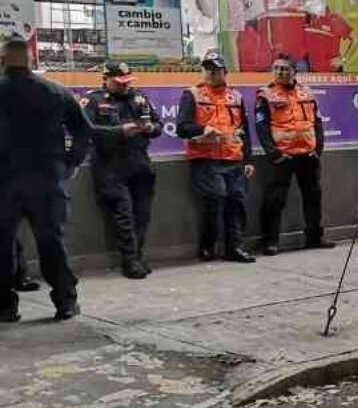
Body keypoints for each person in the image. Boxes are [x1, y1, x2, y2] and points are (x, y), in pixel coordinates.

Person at [0, 37, 91, 322]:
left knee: (2, 246)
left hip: (4, 182)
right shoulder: (56, 91)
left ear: (3, 61)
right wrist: (71, 163)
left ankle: (5, 307)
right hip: (47, 180)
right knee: (52, 241)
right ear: (32, 61)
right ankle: (65, 302)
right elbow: (83, 131)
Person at [80, 61, 163, 279]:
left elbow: (158, 126)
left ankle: (138, 255)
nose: (125, 86)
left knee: (142, 215)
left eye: (127, 82)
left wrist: (150, 128)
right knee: (124, 215)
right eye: (119, 83)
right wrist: (119, 132)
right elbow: (87, 130)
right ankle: (130, 260)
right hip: (111, 166)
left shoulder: (139, 98)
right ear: (106, 79)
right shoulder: (94, 100)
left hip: (140, 163)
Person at [177, 52, 256, 263]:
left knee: (236, 202)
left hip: (234, 158)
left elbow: (244, 130)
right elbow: (182, 128)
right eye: (207, 69)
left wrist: (248, 159)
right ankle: (207, 247)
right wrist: (204, 129)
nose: (211, 73)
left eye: (216, 69)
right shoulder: (192, 94)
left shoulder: (236, 97)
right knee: (215, 199)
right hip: (206, 159)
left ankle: (235, 247)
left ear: (225, 72)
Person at [256, 55, 335, 255]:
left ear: (294, 71)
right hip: (283, 156)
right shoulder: (266, 95)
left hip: (308, 155)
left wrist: (318, 149)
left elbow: (317, 123)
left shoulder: (307, 93)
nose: (280, 72)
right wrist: (274, 154)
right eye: (276, 68)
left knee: (313, 198)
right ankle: (271, 242)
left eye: (284, 69)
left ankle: (314, 238)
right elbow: (261, 127)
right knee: (275, 200)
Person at [301, 0, 357, 72]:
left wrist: (343, 59)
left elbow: (355, 40)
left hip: (332, 75)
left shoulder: (333, 19)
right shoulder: (308, 21)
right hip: (313, 74)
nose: (312, 1)